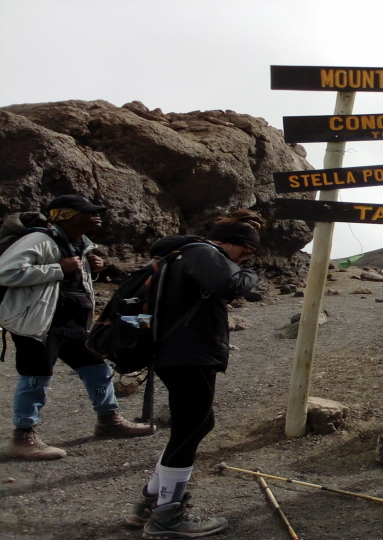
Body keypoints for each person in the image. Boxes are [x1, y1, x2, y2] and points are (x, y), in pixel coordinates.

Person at [129, 210, 262, 539]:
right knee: (191, 427)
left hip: (178, 352)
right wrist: (250, 277)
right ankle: (166, 515)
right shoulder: (202, 252)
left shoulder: (180, 255)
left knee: (198, 423)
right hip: (189, 353)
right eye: (243, 253)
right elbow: (226, 284)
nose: (242, 260)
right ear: (226, 243)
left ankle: (151, 500)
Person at [0, 195, 153, 461]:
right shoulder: (39, 240)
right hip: (38, 324)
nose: (98, 214)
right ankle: (22, 438)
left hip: (70, 323)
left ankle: (109, 420)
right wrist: (57, 268)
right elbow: (5, 272)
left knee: (97, 367)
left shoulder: (80, 244)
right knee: (35, 378)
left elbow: (68, 282)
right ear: (65, 215)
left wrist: (90, 269)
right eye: (89, 212)